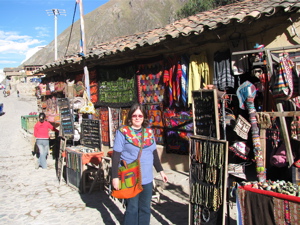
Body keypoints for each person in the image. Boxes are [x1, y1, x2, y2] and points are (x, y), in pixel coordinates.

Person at [112, 103, 168, 225]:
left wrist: (161, 171)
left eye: (140, 116)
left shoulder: (148, 132)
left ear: (144, 117)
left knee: (145, 208)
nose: (137, 118)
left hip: (147, 178)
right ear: (130, 117)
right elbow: (116, 156)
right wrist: (115, 177)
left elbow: (154, 153)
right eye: (134, 115)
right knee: (132, 208)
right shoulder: (123, 132)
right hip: (130, 177)